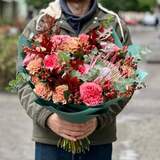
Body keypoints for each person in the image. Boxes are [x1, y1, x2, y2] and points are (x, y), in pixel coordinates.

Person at [17, 0, 132, 160]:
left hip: (97, 140)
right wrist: (47, 117)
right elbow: (22, 79)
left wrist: (98, 119)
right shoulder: (41, 23)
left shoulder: (114, 24)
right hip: (51, 140)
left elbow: (127, 80)